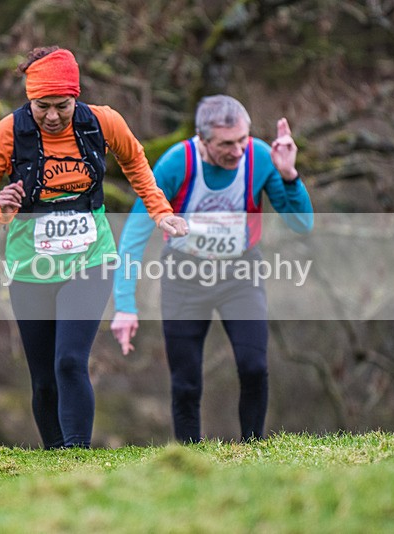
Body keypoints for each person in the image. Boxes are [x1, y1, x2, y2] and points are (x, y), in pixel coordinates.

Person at [0, 46, 187, 449]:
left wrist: (161, 213)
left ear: (75, 97)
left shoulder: (101, 122)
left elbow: (136, 164)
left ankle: (77, 453)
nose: (51, 116)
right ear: (29, 99)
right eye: (41, 106)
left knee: (69, 361)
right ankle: (55, 460)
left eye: (61, 106)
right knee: (44, 379)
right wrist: (2, 209)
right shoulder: (7, 133)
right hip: (30, 268)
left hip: (91, 260)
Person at [110, 95, 313, 442]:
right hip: (184, 276)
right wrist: (125, 305)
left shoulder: (261, 158)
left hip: (240, 274)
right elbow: (134, 234)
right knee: (186, 382)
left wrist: (290, 176)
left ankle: (253, 449)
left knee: (254, 367)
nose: (237, 151)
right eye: (226, 144)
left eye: (242, 140)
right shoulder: (177, 164)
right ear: (203, 140)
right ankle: (190, 457)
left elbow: (302, 223)